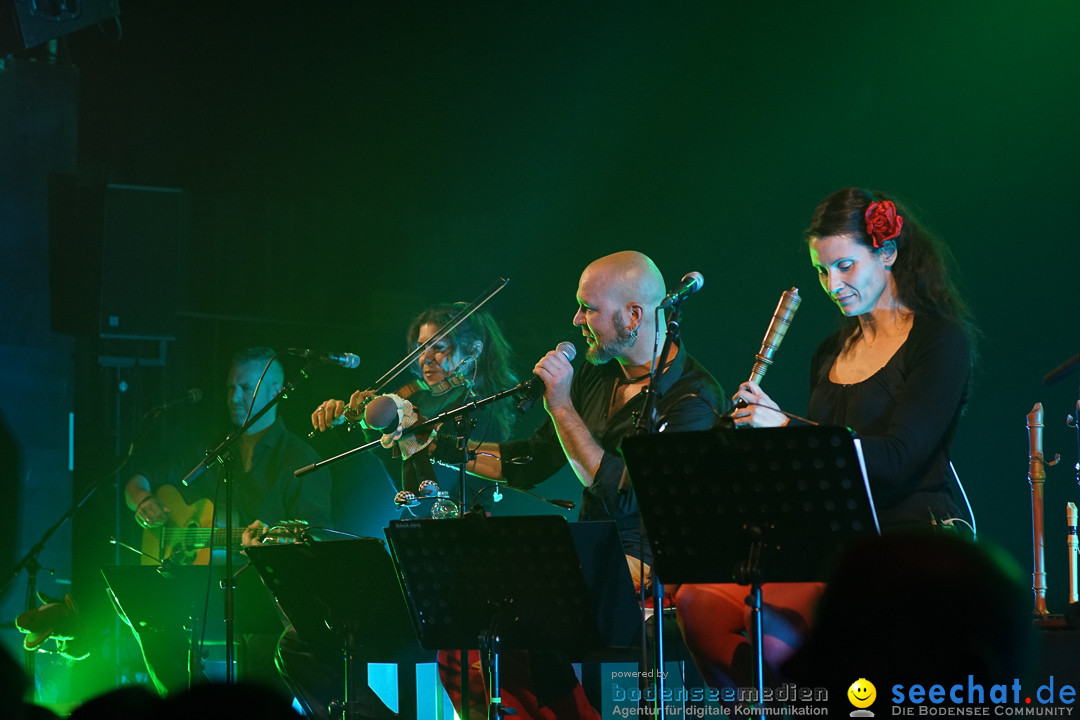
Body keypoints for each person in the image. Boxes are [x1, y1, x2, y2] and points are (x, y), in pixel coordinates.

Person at [674, 187, 977, 691]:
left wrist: (786, 427)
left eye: (844, 266)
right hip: (833, 543)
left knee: (782, 643)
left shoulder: (940, 341)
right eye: (821, 270)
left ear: (887, 253)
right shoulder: (830, 351)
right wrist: (755, 437)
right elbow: (813, 463)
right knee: (696, 601)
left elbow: (898, 458)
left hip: (907, 540)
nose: (831, 284)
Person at [433, 250, 726, 719]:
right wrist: (437, 447)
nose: (576, 319)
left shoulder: (692, 398)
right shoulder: (596, 371)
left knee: (508, 627)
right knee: (467, 630)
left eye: (588, 307)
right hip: (590, 551)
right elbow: (532, 460)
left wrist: (562, 406)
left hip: (649, 564)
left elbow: (623, 492)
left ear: (633, 315)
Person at [294, 303, 519, 720]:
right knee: (303, 640)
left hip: (461, 572)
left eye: (439, 347)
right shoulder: (417, 410)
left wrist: (406, 433)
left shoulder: (484, 413)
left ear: (473, 349)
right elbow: (404, 487)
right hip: (418, 563)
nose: (425, 359)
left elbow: (433, 494)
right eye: (420, 348)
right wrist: (358, 422)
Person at [121, 346, 333, 697]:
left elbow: (314, 536)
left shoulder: (299, 458)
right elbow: (135, 481)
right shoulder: (213, 448)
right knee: (150, 619)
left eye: (245, 389)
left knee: (267, 655)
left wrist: (272, 547)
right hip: (202, 585)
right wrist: (144, 501)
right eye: (230, 388)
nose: (234, 397)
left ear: (275, 391)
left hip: (267, 594)